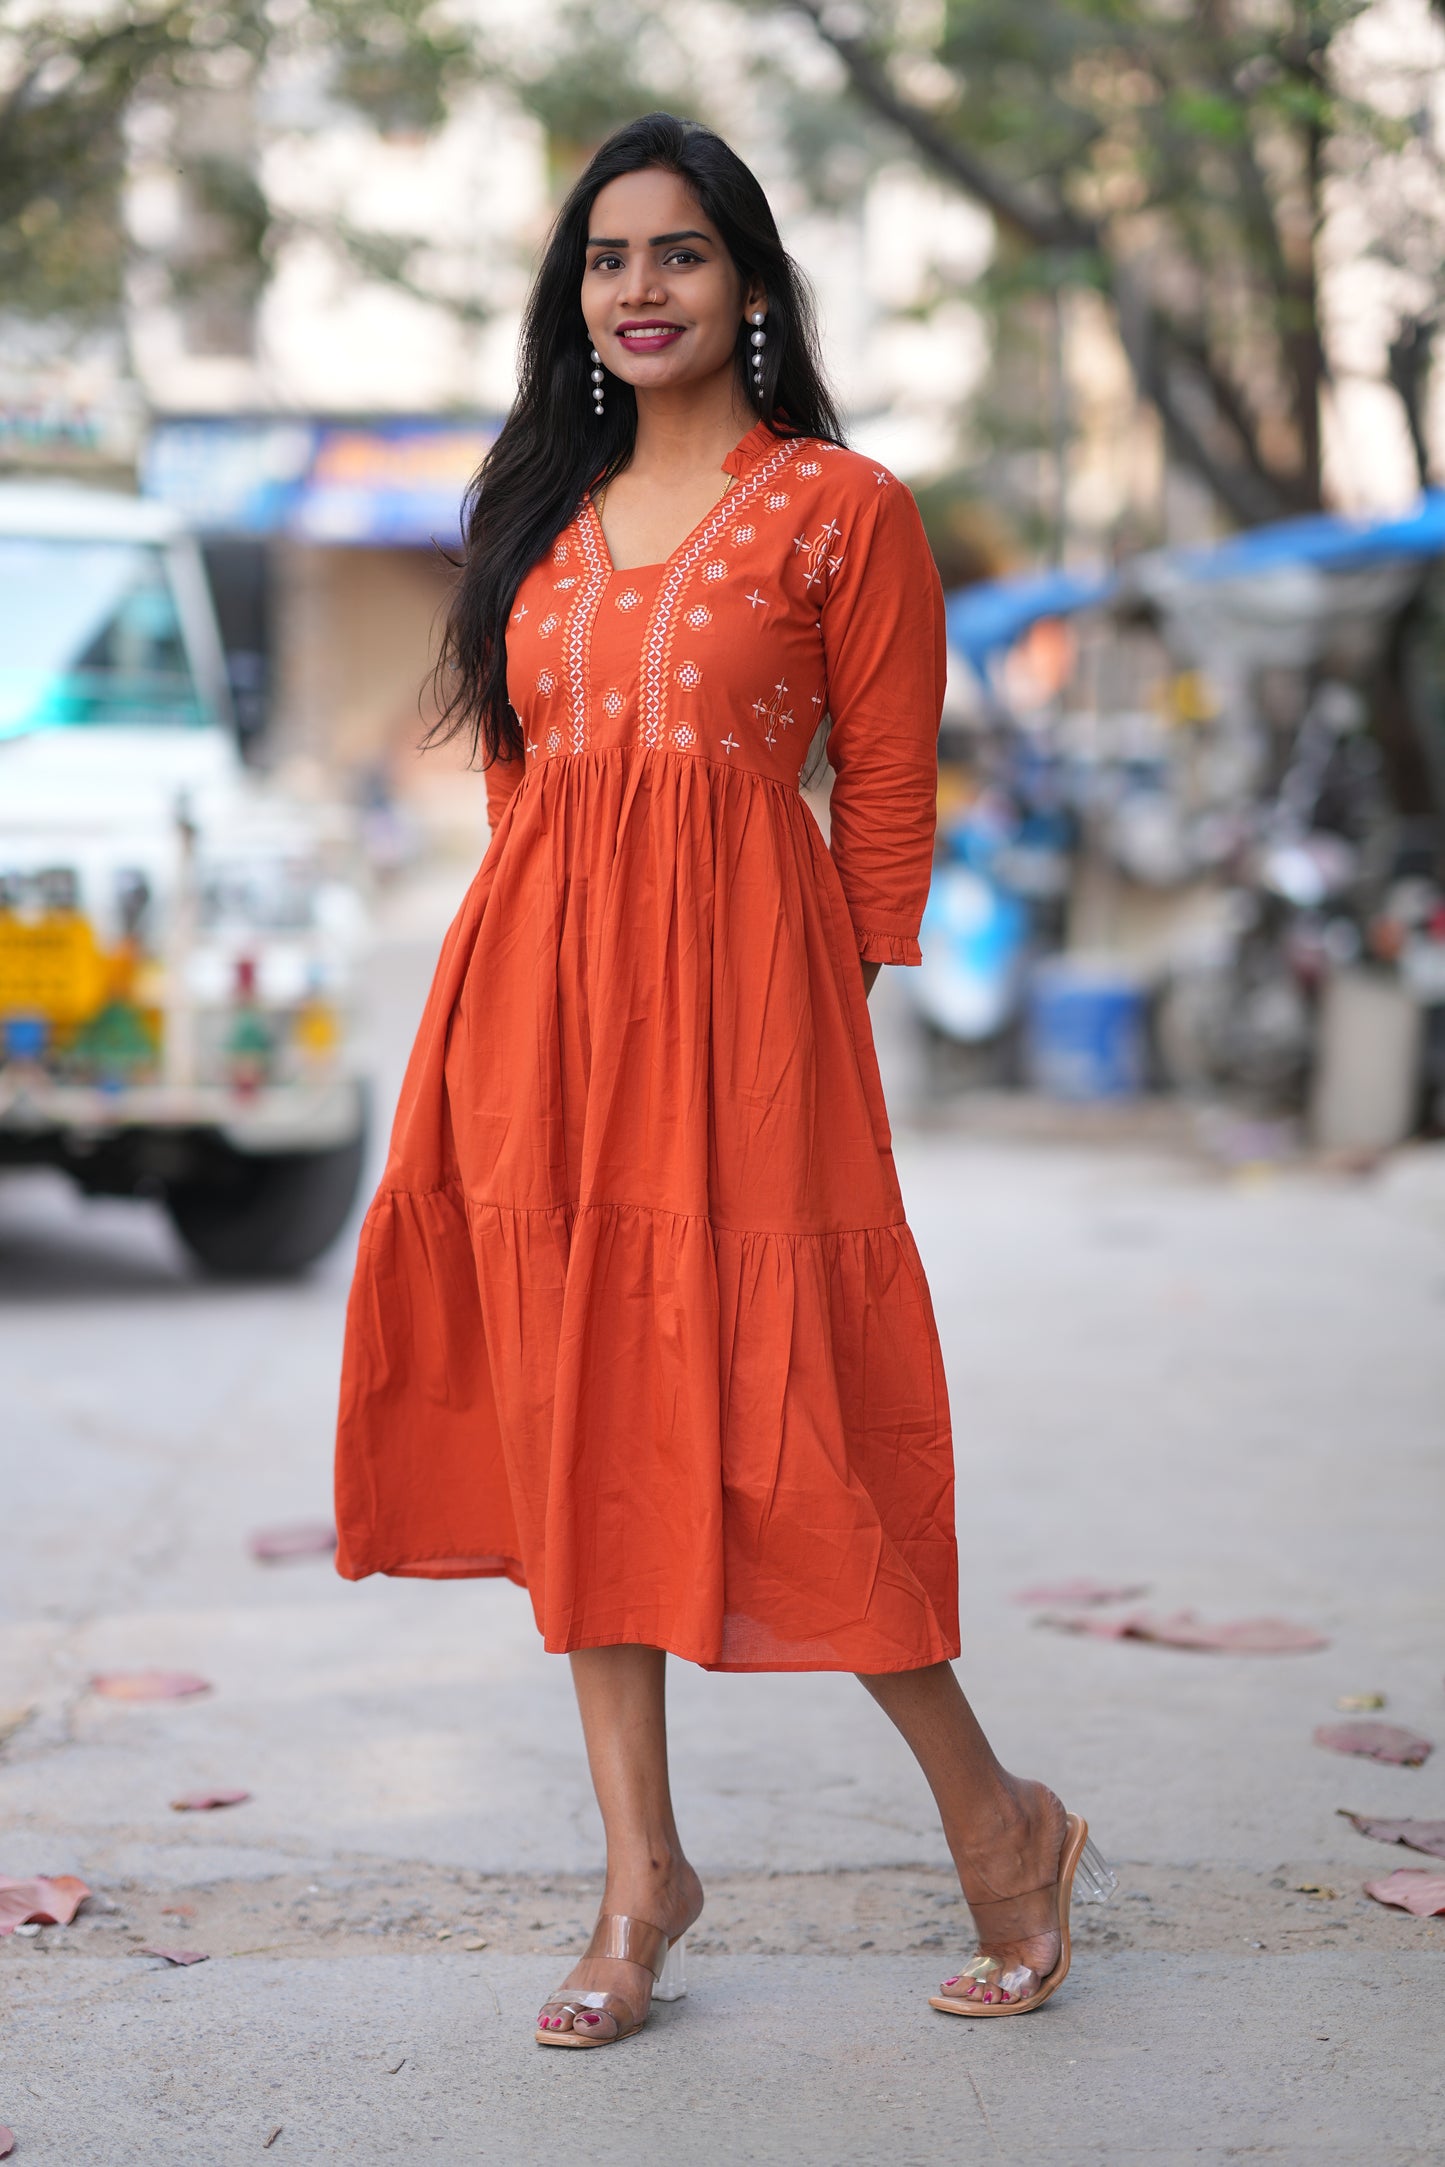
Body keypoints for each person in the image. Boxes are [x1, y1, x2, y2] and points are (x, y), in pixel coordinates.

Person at [333, 110, 1111, 2050]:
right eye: (607, 259)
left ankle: (1003, 1823)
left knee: (798, 1431)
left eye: (677, 252)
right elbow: (524, 788)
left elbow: (889, 786)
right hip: (533, 1027)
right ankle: (639, 1880)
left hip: (750, 1032)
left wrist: (809, 1006)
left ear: (748, 281)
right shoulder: (536, 511)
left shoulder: (842, 507)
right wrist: (539, 1003)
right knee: (577, 1419)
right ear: (574, 296)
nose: (639, 288)